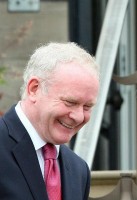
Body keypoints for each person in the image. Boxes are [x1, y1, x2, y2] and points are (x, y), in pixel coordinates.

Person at [0, 42, 100, 200]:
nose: (79, 116)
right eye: (70, 102)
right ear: (34, 89)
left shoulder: (78, 170)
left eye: (87, 106)